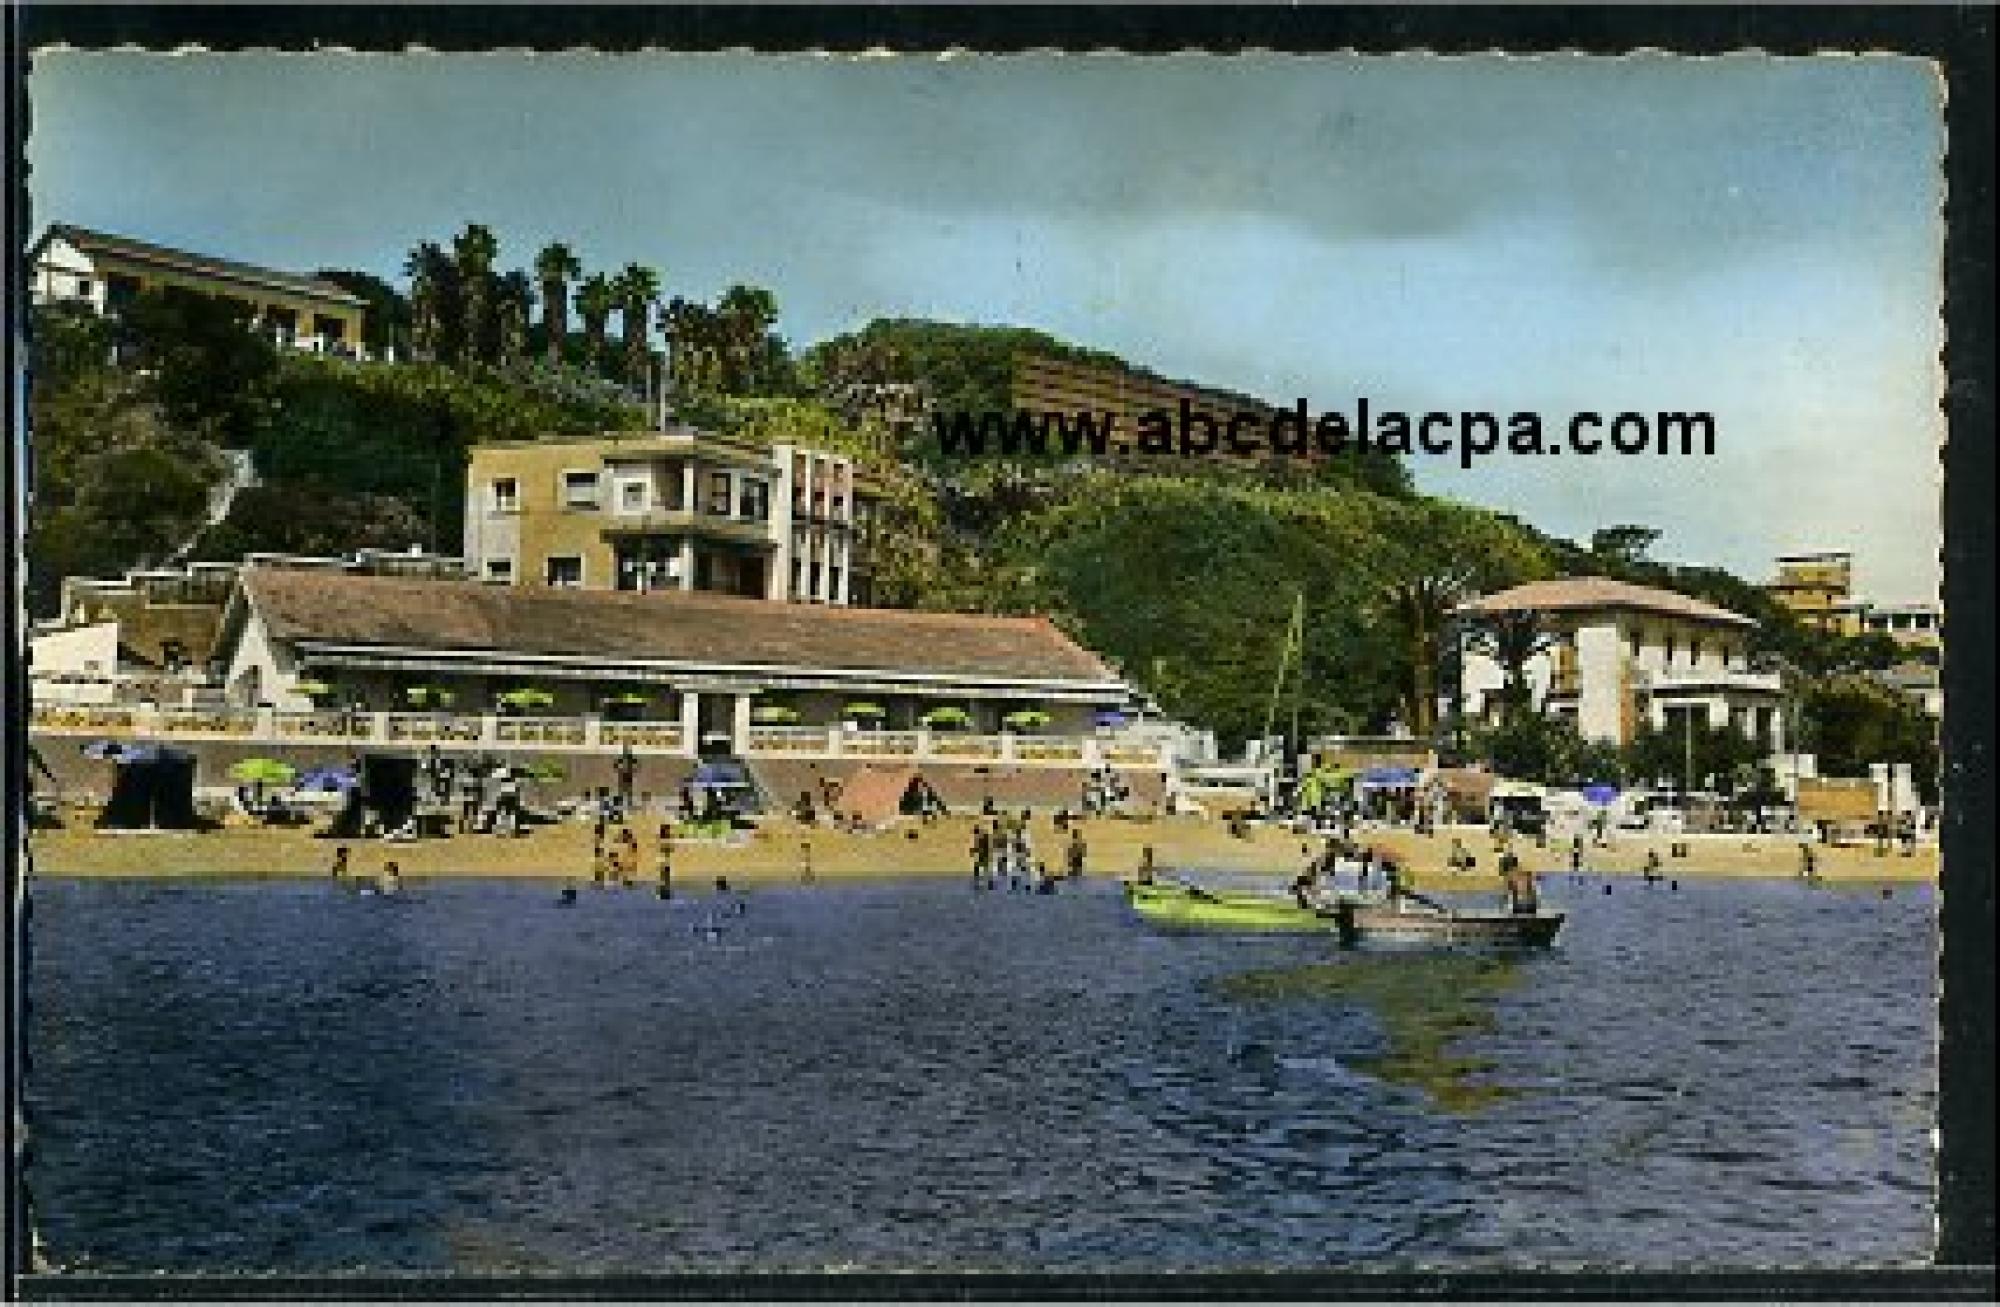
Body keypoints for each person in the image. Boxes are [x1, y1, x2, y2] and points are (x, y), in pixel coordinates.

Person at [1499, 848, 1537, 915]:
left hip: (1522, 904)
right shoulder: (1526, 874)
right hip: (1527, 903)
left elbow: (1506, 897)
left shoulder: (1510, 878)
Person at [614, 745, 639, 811]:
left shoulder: (627, 758)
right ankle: (623, 803)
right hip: (624, 775)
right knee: (624, 789)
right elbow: (616, 766)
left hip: (627, 775)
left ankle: (627, 803)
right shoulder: (622, 758)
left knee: (627, 790)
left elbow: (635, 766)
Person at [655, 822, 675, 899]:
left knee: (664, 877)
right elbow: (670, 849)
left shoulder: (662, 840)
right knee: (665, 877)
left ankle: (664, 891)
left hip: (664, 862)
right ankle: (664, 891)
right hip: (664, 862)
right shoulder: (665, 840)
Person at [970, 824, 993, 890]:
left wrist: (973, 851)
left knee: (978, 869)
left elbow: (978, 847)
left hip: (983, 855)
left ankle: (978, 884)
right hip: (985, 855)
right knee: (986, 870)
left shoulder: (980, 837)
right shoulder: (984, 836)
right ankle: (989, 884)